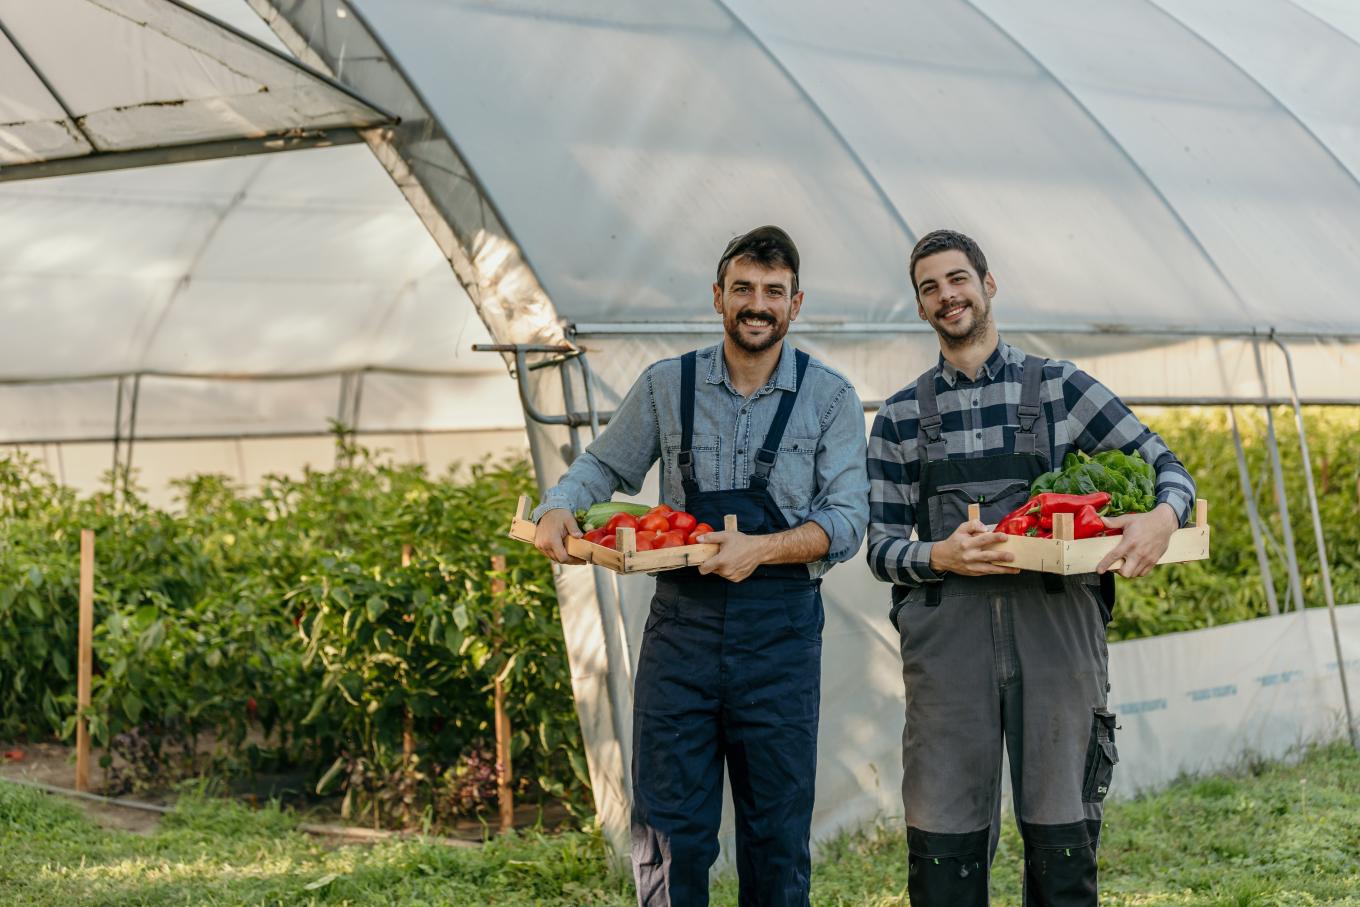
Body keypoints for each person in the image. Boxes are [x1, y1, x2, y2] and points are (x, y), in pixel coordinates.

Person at [533, 225, 869, 906]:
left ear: (795, 304)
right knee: (670, 831)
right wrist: (560, 504)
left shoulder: (829, 397)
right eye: (742, 287)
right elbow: (604, 463)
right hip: (682, 633)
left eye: (773, 291)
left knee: (775, 833)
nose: (757, 302)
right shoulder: (667, 384)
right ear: (717, 295)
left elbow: (849, 520)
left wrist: (764, 548)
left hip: (780, 639)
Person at [866, 229, 1196, 906]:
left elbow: (1169, 468)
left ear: (988, 285)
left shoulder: (1060, 389)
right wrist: (938, 553)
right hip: (947, 650)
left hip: (1058, 641)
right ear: (921, 307)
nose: (945, 295)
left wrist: (1164, 517)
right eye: (929, 287)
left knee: (1063, 837)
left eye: (957, 278)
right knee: (944, 841)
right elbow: (875, 544)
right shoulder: (900, 416)